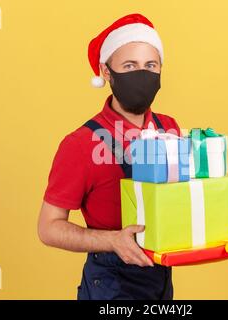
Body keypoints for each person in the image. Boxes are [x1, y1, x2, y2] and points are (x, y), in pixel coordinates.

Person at [38, 13, 181, 300]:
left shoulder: (170, 129)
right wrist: (112, 240)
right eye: (129, 65)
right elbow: (48, 227)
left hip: (161, 278)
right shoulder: (79, 144)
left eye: (150, 65)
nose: (142, 74)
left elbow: (180, 200)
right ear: (106, 72)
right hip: (110, 282)